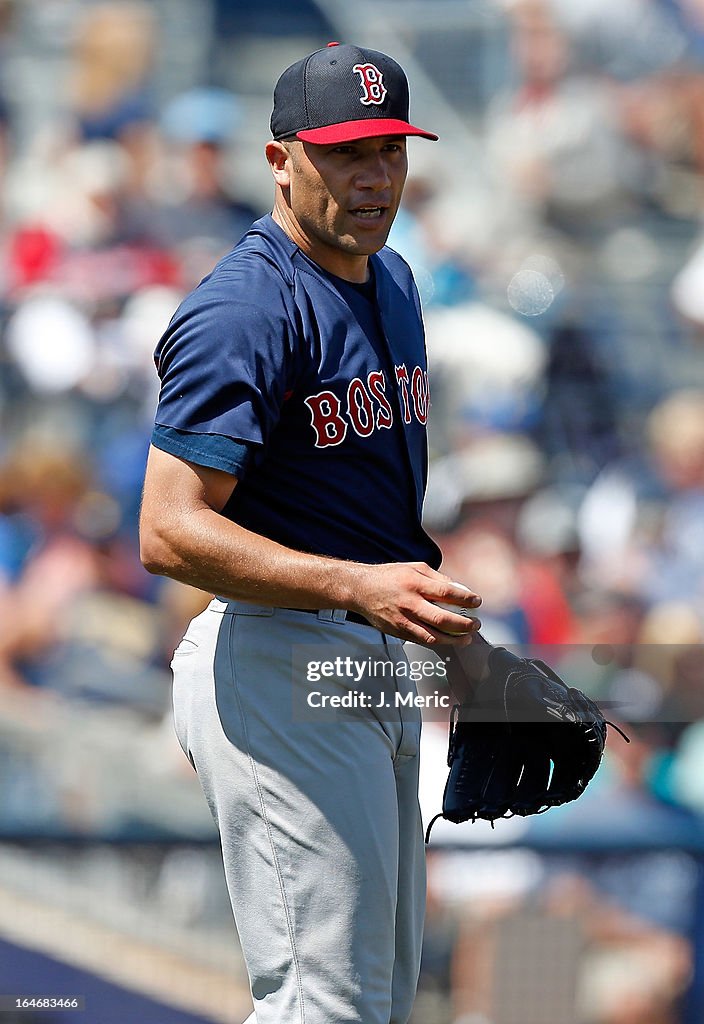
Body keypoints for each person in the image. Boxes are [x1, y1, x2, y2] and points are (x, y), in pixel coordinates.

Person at [139, 42, 484, 1024]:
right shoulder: (246, 305)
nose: (373, 177)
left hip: (369, 654)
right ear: (279, 159)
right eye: (344, 154)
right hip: (275, 646)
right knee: (318, 1003)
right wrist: (354, 586)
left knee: (374, 1000)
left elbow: (366, 512)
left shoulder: (395, 280)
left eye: (389, 150)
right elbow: (166, 531)